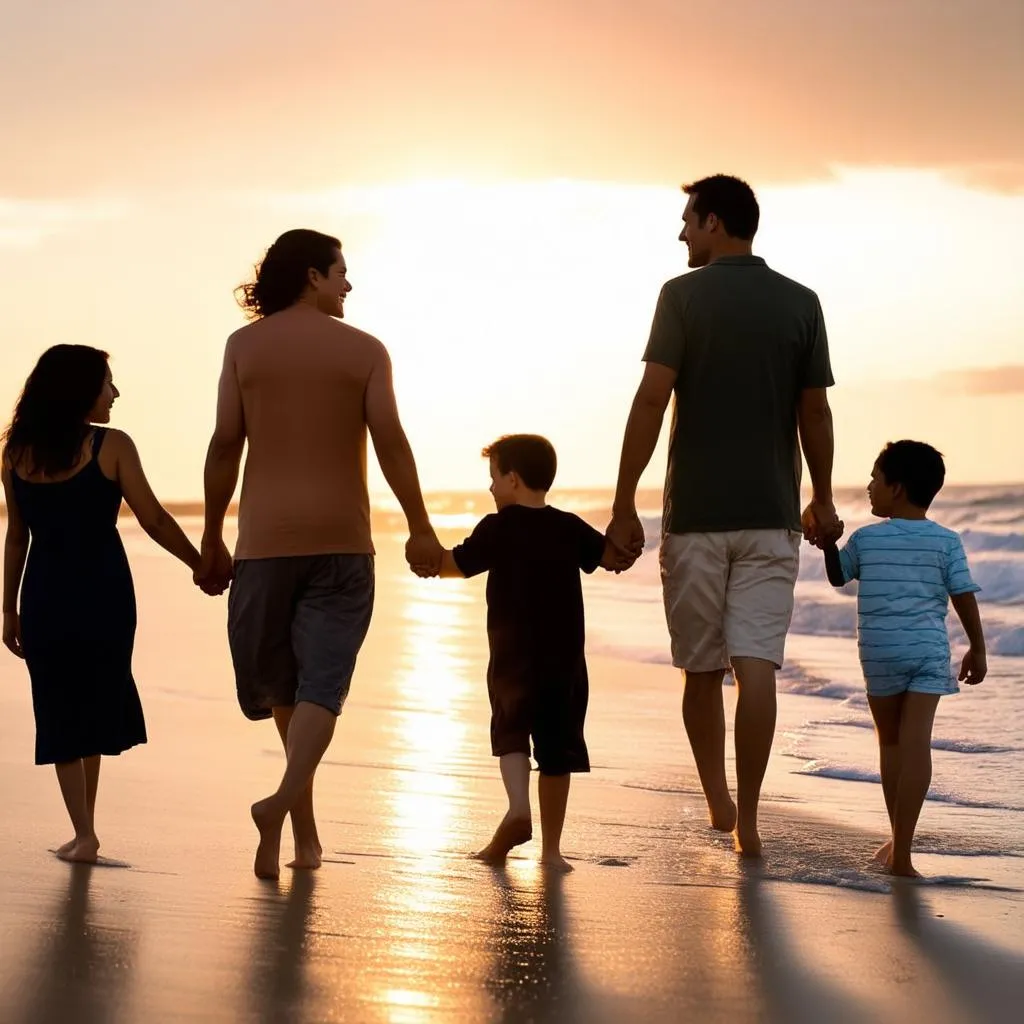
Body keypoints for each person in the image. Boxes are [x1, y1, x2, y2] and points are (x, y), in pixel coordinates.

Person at [607, 174, 842, 857]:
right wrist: (821, 496)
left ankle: (717, 798)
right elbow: (815, 412)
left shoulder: (681, 297)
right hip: (772, 517)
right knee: (758, 664)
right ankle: (752, 819)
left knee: (702, 669)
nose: (681, 233)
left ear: (715, 222)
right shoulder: (801, 302)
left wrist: (624, 503)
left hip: (697, 518)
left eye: (688, 220)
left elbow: (651, 401)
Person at [198, 228, 442, 880]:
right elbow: (390, 440)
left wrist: (213, 534)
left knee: (288, 690)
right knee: (321, 689)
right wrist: (419, 526)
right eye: (341, 272)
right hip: (341, 545)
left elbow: (226, 444)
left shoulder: (244, 347)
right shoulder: (364, 350)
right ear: (312, 275)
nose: (348, 285)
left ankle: (299, 833)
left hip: (264, 547)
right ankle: (286, 813)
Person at [1, 345, 203, 863]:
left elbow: (17, 535)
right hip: (104, 592)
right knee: (88, 703)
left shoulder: (16, 453)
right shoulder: (111, 445)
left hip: (45, 593)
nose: (115, 392)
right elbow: (154, 519)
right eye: (107, 383)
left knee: (62, 708)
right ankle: (85, 833)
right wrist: (200, 564)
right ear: (80, 389)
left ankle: (84, 832)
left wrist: (8, 607)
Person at [416, 434, 633, 872]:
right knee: (557, 751)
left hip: (513, 658)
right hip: (565, 660)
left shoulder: (498, 528)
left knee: (512, 732)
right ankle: (551, 852)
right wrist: (628, 538)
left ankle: (517, 807)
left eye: (493, 478)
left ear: (512, 479)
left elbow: (454, 565)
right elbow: (611, 557)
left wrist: (424, 557)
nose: (491, 488)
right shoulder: (569, 527)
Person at [821, 440, 986, 877]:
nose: (869, 487)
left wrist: (827, 544)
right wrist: (978, 646)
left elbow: (839, 575)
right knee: (917, 746)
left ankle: (899, 843)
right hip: (928, 652)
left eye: (875, 479)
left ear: (896, 487)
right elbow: (963, 595)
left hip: (880, 653)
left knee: (891, 744)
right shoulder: (947, 542)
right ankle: (903, 850)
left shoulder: (866, 539)